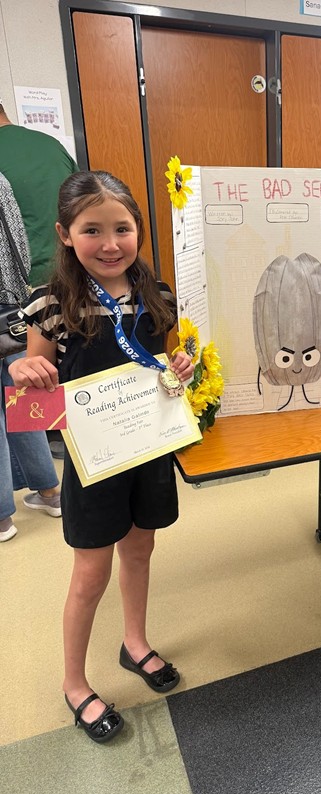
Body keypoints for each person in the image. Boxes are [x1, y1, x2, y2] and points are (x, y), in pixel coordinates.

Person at [9, 171, 193, 742]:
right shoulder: (52, 304)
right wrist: (25, 372)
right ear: (65, 234)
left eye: (122, 228)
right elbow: (36, 400)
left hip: (149, 451)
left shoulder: (158, 295)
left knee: (140, 550)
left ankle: (134, 643)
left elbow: (167, 368)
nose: (110, 244)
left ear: (139, 230)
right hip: (93, 462)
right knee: (90, 574)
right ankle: (74, 683)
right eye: (92, 230)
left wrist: (181, 369)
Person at [0, 99, 79, 459]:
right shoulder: (50, 145)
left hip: (19, 290)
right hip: (70, 277)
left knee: (27, 380)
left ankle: (46, 467)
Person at [0, 172, 61, 543]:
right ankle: (50, 492)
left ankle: (2, 519)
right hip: (10, 311)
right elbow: (18, 241)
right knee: (23, 399)